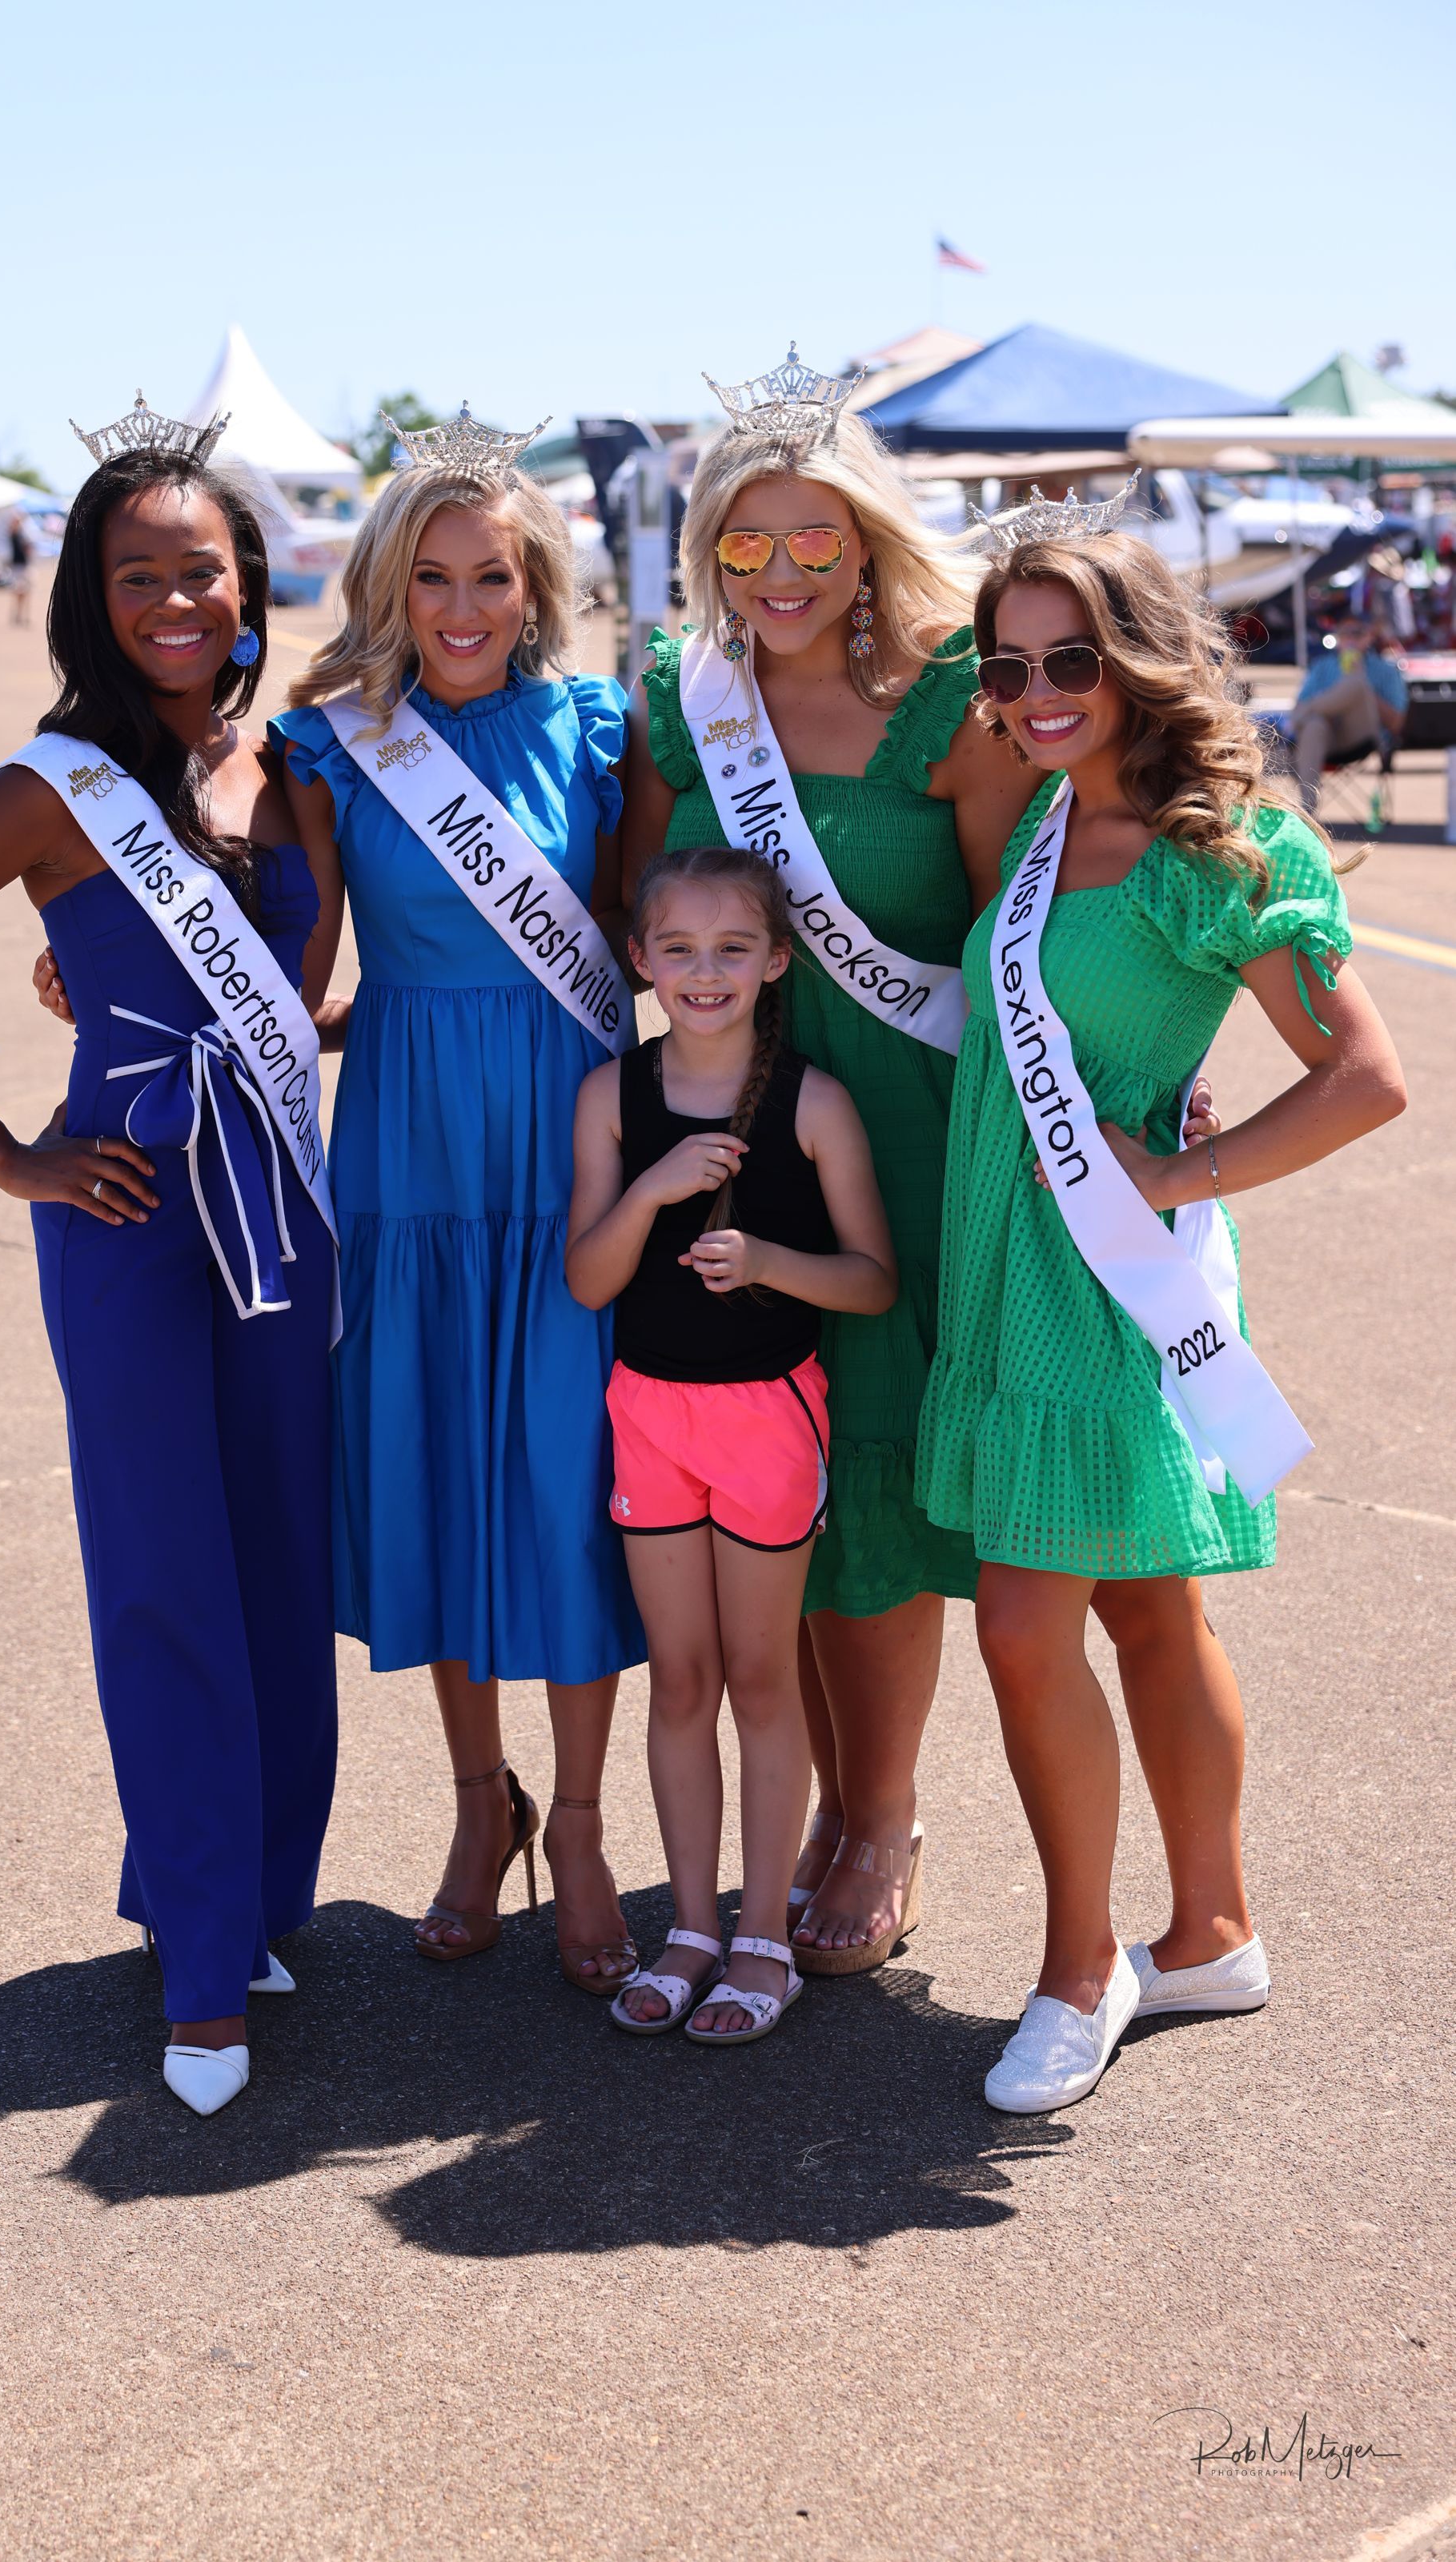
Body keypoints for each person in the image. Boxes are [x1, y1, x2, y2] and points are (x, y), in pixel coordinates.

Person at [0, 404, 342, 2118]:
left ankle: (260, 1896)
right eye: (140, 576)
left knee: (279, 1557)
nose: (175, 601)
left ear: (249, 581)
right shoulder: (47, 787)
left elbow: (306, 996)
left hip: (277, 1214)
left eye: (201, 569)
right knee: (159, 1574)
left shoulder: (297, 773)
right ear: (92, 598)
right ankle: (199, 1967)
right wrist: (13, 1160)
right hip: (124, 1218)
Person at [916, 514, 1406, 2114]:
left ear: (1136, 656)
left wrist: (1183, 1176)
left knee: (1021, 1623)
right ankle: (1209, 1931)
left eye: (1073, 657)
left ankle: (1079, 1970)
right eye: (1010, 666)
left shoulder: (1226, 852)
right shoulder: (1044, 820)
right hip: (1009, 1252)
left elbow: (1364, 1081)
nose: (1039, 691)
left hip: (1110, 1280)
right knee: (1147, 1608)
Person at [622, 353, 1041, 1973]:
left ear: (865, 543)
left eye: (815, 541)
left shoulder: (952, 699)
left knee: (867, 1478)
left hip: (909, 1148)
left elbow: (1024, 936)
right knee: (765, 1489)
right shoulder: (686, 700)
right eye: (747, 545)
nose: (781, 575)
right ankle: (809, 1811)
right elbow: (625, 911)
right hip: (734, 1143)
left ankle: (878, 1814)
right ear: (706, 551)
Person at [268, 405, 647, 1992]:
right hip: (414, 1157)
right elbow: (299, 972)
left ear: (535, 578)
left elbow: (646, 940)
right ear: (386, 585)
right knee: (436, 1467)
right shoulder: (337, 744)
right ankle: (475, 1804)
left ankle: (578, 1821)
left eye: (492, 574)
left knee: (563, 1483)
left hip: (568, 1153)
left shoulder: (602, 733)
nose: (465, 607)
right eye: (433, 578)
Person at [568, 844, 896, 2042]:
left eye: (732, 950)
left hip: (767, 1415)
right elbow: (585, 1274)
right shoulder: (612, 1097)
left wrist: (763, 1263)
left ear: (775, 960)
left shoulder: (811, 1101)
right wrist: (651, 1191)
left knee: (760, 1680)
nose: (706, 973)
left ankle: (765, 1936)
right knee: (682, 1680)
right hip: (650, 1415)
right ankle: (692, 1928)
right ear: (642, 961)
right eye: (681, 951)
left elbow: (868, 1282)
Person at [1289, 611, 1406, 811]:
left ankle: (1293, 723)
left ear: (1369, 636)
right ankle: (1307, 810)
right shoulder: (1322, 666)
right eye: (1345, 633)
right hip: (1326, 738)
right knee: (1314, 725)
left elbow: (1396, 723)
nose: (1351, 638)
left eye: (1357, 632)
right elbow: (1301, 701)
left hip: (1363, 737)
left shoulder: (1385, 670)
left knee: (1357, 684)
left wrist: (1362, 687)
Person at [6, 512, 35, 626]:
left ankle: (25, 616)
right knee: (18, 592)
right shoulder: (13, 534)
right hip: (17, 567)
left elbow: (30, 548)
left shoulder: (24, 534)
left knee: (26, 592)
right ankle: (17, 616)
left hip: (24, 565)